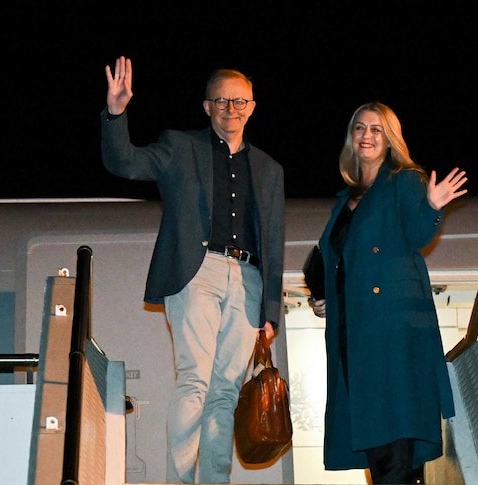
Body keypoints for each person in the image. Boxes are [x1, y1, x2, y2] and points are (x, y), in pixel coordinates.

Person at [100, 56, 285, 483]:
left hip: (249, 279)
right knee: (195, 382)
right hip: (196, 271)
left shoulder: (269, 169)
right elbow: (124, 163)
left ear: (252, 107)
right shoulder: (179, 146)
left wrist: (269, 311)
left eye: (240, 101)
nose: (231, 108)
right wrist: (116, 112)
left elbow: (273, 240)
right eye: (221, 100)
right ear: (207, 107)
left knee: (224, 393)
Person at [309, 101, 467, 484]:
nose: (366, 135)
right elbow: (339, 259)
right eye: (360, 127)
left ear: (389, 138)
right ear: (351, 137)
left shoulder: (404, 180)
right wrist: (329, 296)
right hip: (355, 332)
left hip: (392, 329)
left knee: (393, 437)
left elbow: (416, 235)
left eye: (376, 129)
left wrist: (431, 206)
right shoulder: (343, 201)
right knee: (377, 442)